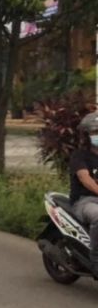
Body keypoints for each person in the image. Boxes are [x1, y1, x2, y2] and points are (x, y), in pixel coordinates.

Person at [69, 111, 98, 274]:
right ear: (87, 136)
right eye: (95, 132)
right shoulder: (79, 156)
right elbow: (85, 179)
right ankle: (96, 260)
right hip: (85, 201)